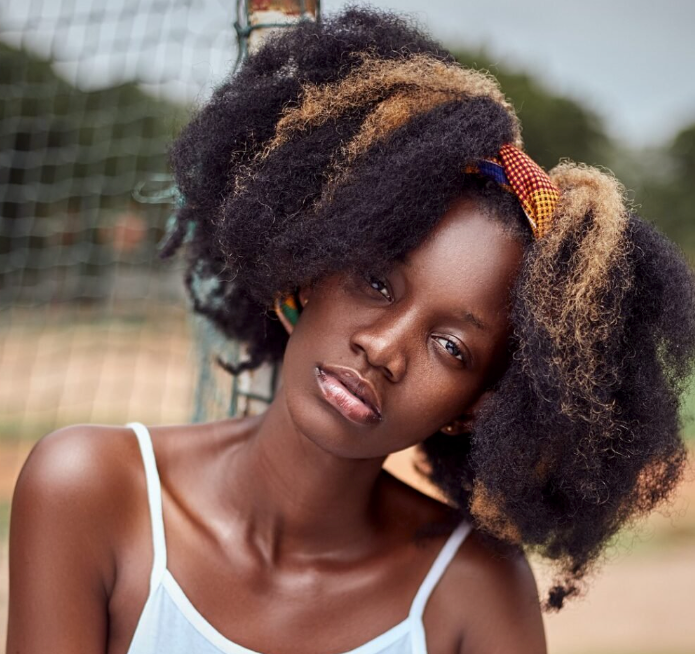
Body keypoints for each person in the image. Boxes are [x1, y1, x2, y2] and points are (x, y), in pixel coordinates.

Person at [8, 7, 695, 654]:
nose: (383, 348)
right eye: (375, 281)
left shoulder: (472, 592)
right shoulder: (92, 490)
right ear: (308, 268)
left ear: (481, 406)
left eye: (451, 348)